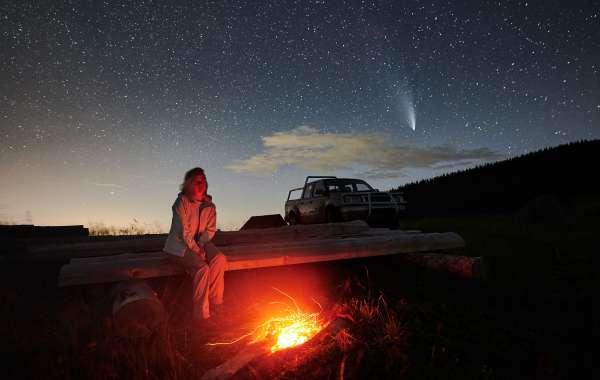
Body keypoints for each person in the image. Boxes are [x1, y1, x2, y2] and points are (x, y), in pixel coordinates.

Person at [163, 167, 227, 322]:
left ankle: (216, 303)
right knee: (202, 268)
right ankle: (202, 316)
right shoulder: (181, 203)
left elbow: (210, 229)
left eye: (204, 181)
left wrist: (202, 244)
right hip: (178, 246)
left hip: (200, 241)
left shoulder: (209, 206)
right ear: (188, 184)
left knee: (219, 259)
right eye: (198, 181)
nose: (202, 184)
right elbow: (184, 232)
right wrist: (197, 250)